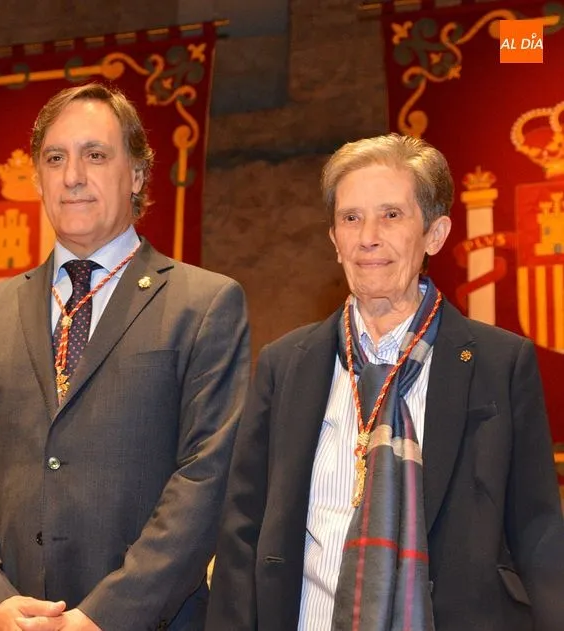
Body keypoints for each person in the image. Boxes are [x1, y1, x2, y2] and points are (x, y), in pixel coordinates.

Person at [206, 133, 564, 630]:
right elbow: (241, 532)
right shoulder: (284, 364)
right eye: (350, 218)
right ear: (334, 239)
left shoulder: (499, 363)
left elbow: (538, 532)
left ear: (435, 234)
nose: (367, 236)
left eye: (391, 215)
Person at [0, 83, 250, 631]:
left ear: (138, 175)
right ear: (37, 178)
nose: (72, 175)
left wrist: (104, 616)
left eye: (95, 155)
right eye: (55, 158)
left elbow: (206, 476)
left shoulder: (204, 304)